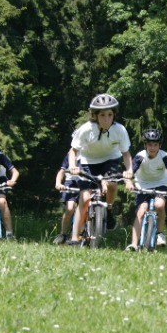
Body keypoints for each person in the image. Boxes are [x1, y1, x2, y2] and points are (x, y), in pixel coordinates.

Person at [66, 93, 133, 245]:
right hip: (88, 161)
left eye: (110, 115)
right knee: (84, 198)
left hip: (110, 159)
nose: (106, 119)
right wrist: (72, 166)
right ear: (94, 115)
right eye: (102, 115)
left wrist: (129, 173)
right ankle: (74, 237)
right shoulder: (86, 129)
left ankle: (108, 210)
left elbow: (126, 154)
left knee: (112, 184)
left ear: (114, 115)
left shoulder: (120, 130)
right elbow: (73, 151)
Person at [124, 129, 167, 250]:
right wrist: (129, 182)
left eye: (155, 144)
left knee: (160, 205)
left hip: (161, 184)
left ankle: (160, 234)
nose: (152, 147)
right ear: (145, 145)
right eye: (149, 144)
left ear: (159, 145)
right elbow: (129, 172)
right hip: (143, 185)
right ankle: (134, 244)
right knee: (141, 211)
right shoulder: (140, 157)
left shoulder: (164, 156)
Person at [52, 152, 80, 244]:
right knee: (70, 208)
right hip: (71, 181)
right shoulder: (70, 154)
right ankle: (63, 234)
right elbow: (62, 171)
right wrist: (58, 183)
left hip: (86, 181)